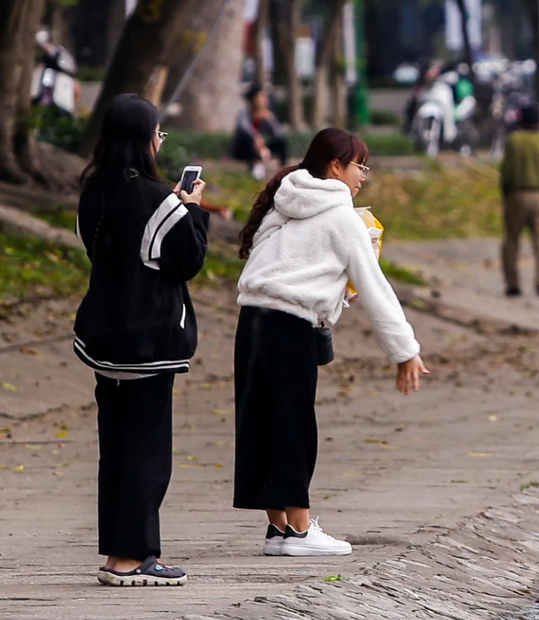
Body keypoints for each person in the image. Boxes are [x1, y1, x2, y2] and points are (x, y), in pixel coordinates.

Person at [235, 128, 428, 556]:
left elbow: (282, 266)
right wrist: (405, 351)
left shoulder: (282, 205)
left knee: (261, 422)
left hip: (251, 322)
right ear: (335, 166)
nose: (364, 176)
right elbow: (376, 288)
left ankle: (280, 529)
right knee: (294, 423)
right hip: (291, 328)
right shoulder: (343, 218)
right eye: (360, 165)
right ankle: (302, 530)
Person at [73, 93, 210, 586]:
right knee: (147, 453)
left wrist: (174, 205)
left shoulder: (94, 190)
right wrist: (189, 209)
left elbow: (103, 250)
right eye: (158, 132)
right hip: (148, 344)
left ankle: (117, 554)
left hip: (103, 341)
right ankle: (135, 560)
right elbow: (186, 261)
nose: (160, 140)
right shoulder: (157, 200)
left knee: (116, 449)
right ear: (145, 138)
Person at [499, 105, 539, 297]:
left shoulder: (513, 140)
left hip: (516, 194)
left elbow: (506, 170)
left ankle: (513, 283)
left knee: (512, 240)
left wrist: (506, 193)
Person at [233, 85, 289, 179]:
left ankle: (282, 169)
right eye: (261, 97)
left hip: (261, 146)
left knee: (281, 141)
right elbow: (244, 129)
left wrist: (270, 119)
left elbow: (277, 133)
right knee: (249, 140)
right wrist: (256, 137)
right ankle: (256, 165)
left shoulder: (267, 115)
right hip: (247, 147)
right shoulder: (244, 113)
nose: (264, 100)